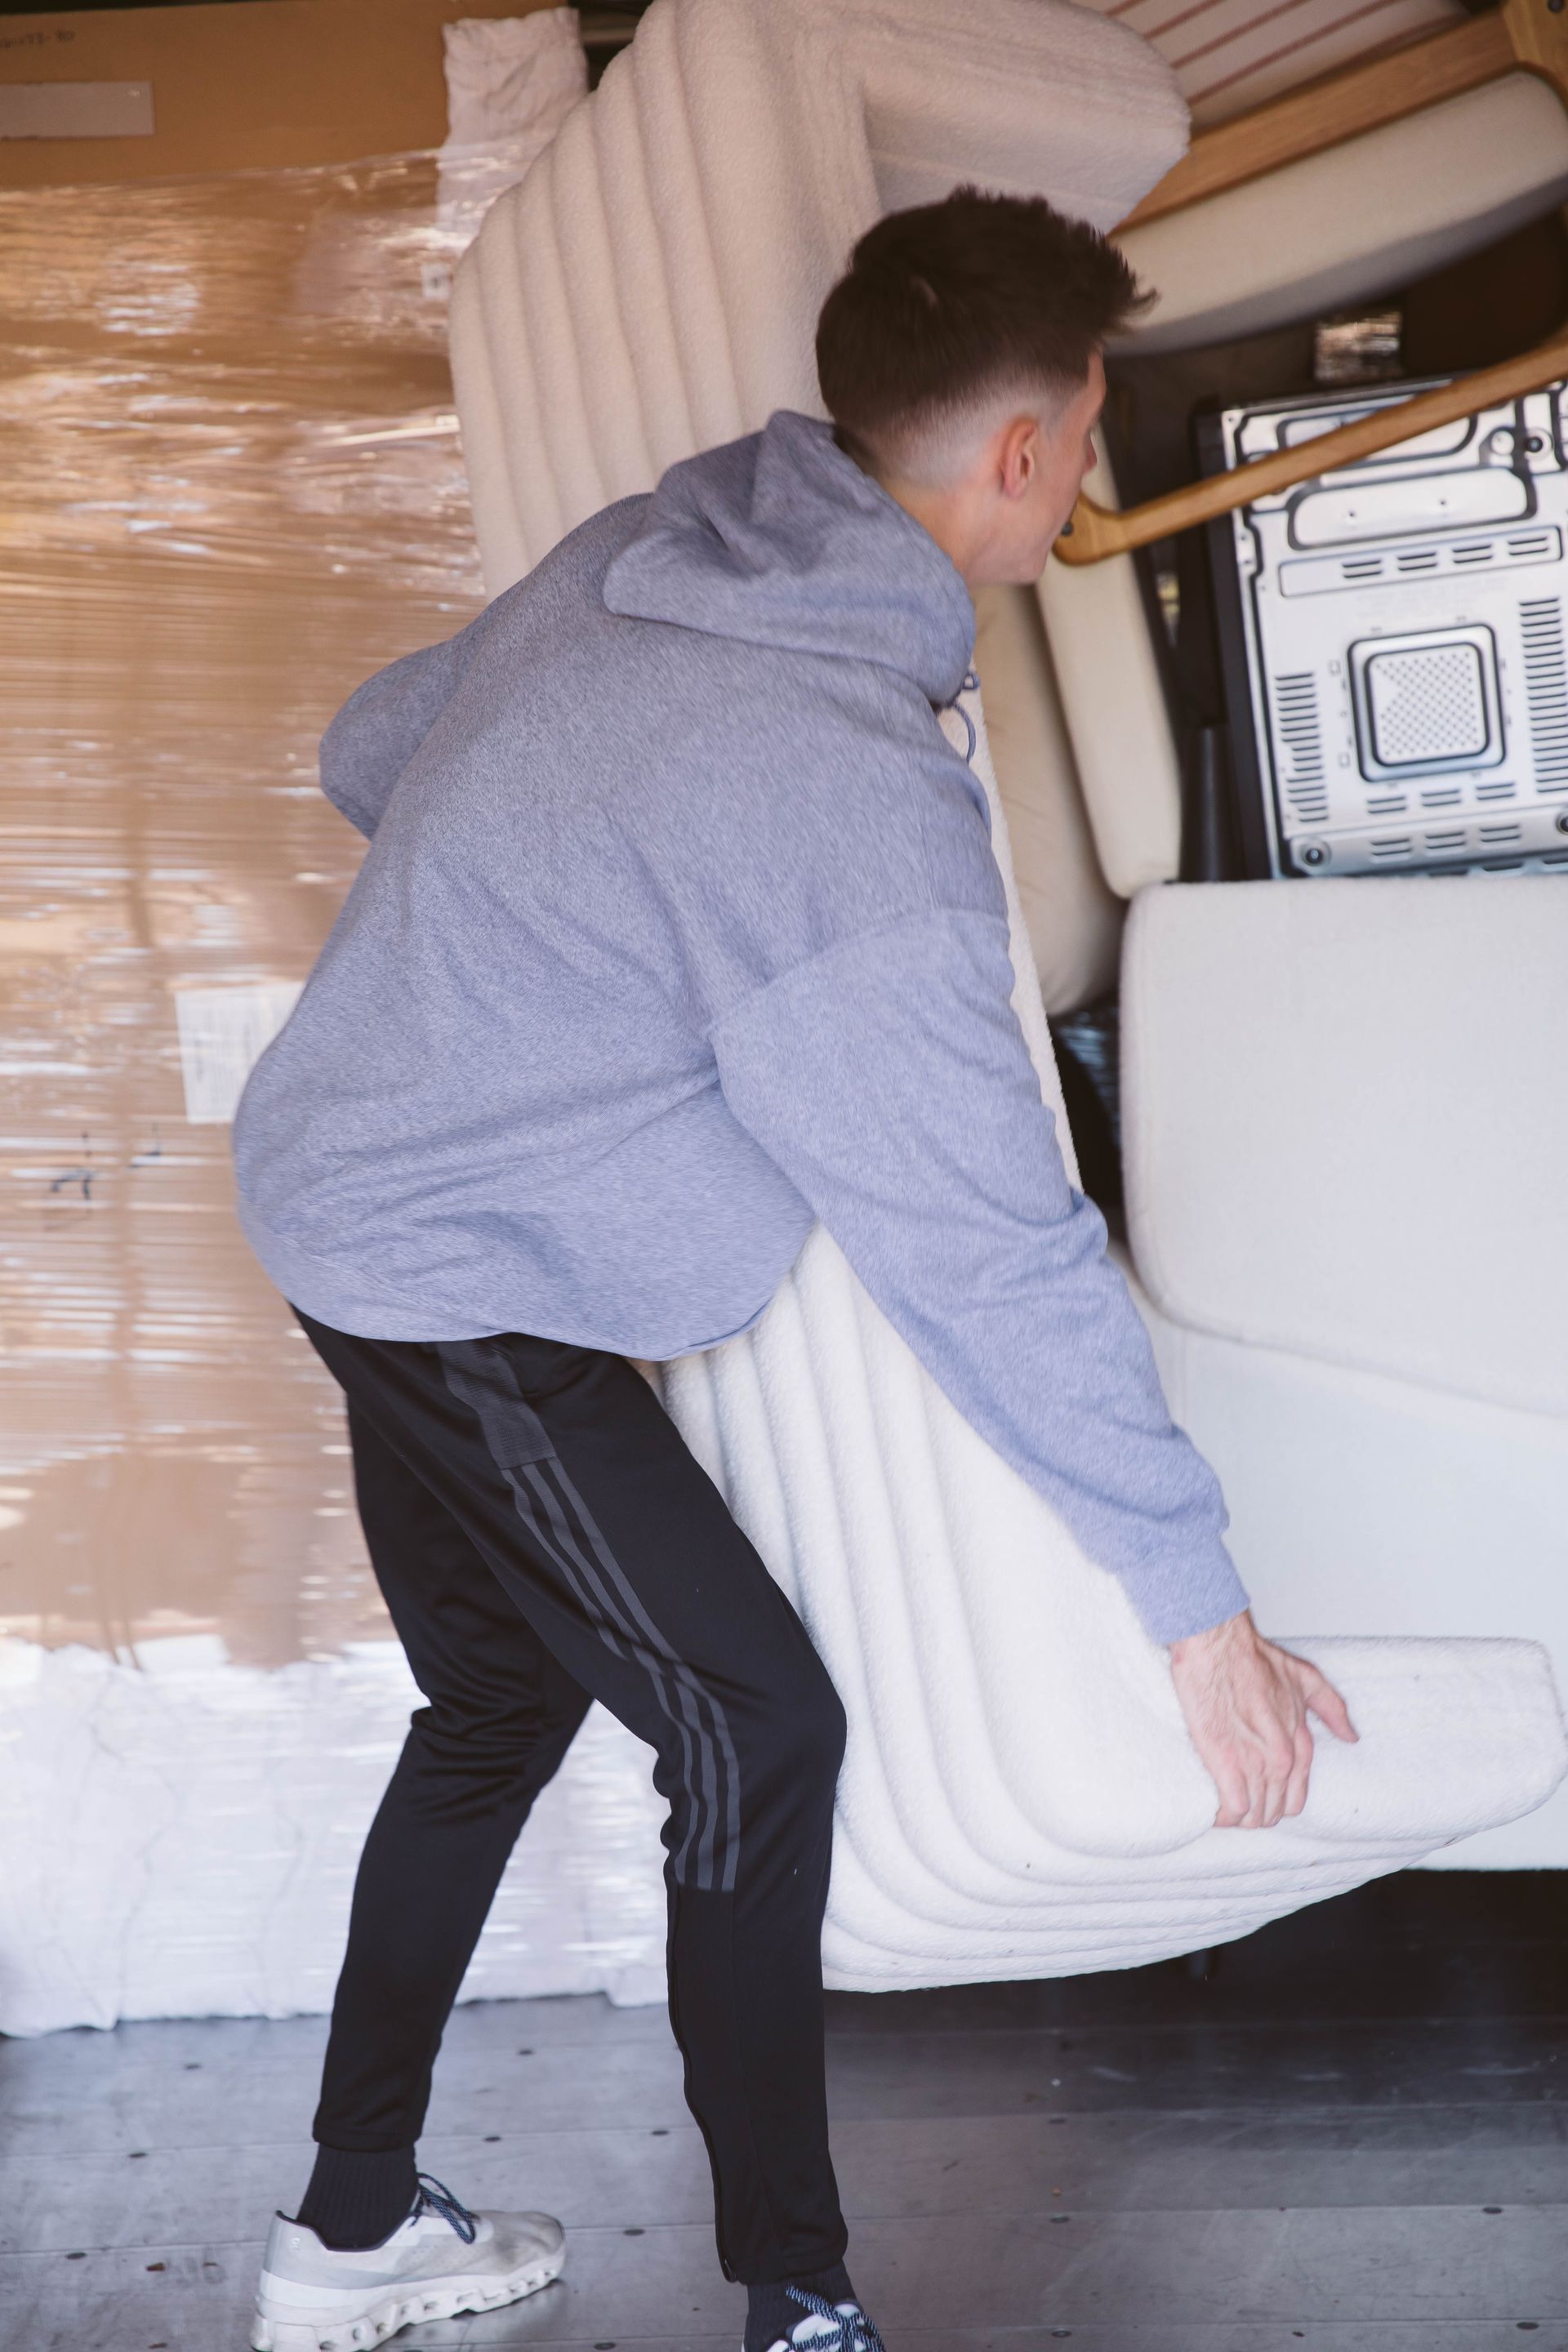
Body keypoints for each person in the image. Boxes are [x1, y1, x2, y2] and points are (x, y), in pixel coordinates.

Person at [235, 187, 1355, 2352]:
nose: (1092, 465)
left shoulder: (650, 546)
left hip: (333, 1178)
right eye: (1094, 421)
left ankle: (350, 2236)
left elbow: (373, 744)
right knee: (759, 1726)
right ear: (1024, 454)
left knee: (497, 1700)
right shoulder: (852, 797)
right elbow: (987, 1245)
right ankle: (801, 2303)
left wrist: (568, 907)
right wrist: (1198, 1612)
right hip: (444, 1271)